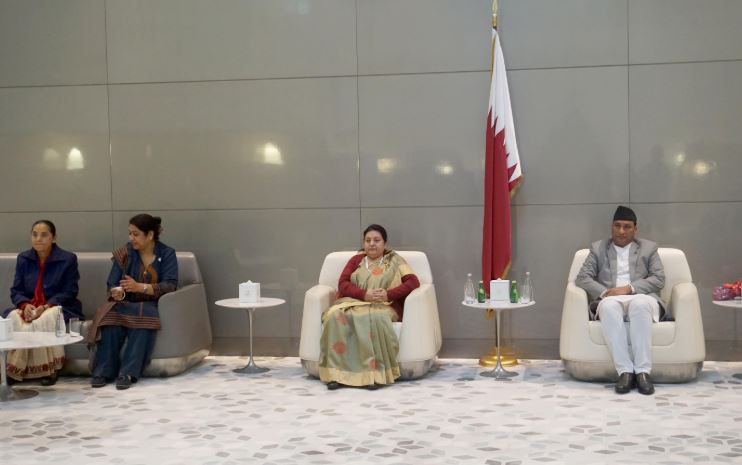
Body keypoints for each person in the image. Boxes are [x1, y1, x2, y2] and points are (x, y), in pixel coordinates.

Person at [575, 206, 665, 395]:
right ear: (611, 227)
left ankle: (643, 372)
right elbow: (582, 278)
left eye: (627, 227)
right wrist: (607, 293)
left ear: (635, 229)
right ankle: (625, 371)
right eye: (617, 226)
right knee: (608, 307)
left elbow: (658, 279)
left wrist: (628, 289)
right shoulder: (598, 248)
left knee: (639, 305)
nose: (621, 231)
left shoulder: (648, 248)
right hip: (611, 300)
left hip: (641, 297)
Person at [319, 224, 420, 390]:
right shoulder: (356, 260)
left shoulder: (395, 260)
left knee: (373, 317)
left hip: (384, 305)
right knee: (334, 316)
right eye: (368, 240)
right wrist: (363, 294)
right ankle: (335, 375)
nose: (372, 244)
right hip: (354, 301)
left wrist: (388, 294)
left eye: (376, 240)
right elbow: (343, 284)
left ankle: (373, 375)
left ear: (385, 242)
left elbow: (413, 282)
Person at [87, 214, 178, 390]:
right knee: (110, 320)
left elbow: (170, 285)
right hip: (124, 303)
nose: (131, 238)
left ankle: (128, 373)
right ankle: (103, 371)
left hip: (150, 303)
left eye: (136, 234)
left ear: (150, 235)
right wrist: (117, 292)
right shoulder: (124, 253)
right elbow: (112, 283)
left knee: (144, 319)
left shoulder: (167, 254)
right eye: (129, 233)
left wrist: (140, 287)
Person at [2, 220, 82, 385]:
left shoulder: (68, 259)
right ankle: (15, 369)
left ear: (54, 238)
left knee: (44, 318)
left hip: (58, 306)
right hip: (30, 305)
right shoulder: (24, 258)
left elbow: (70, 291)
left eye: (44, 235)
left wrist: (45, 306)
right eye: (35, 234)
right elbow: (16, 290)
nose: (38, 239)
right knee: (15, 317)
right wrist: (25, 305)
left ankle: (48, 370)